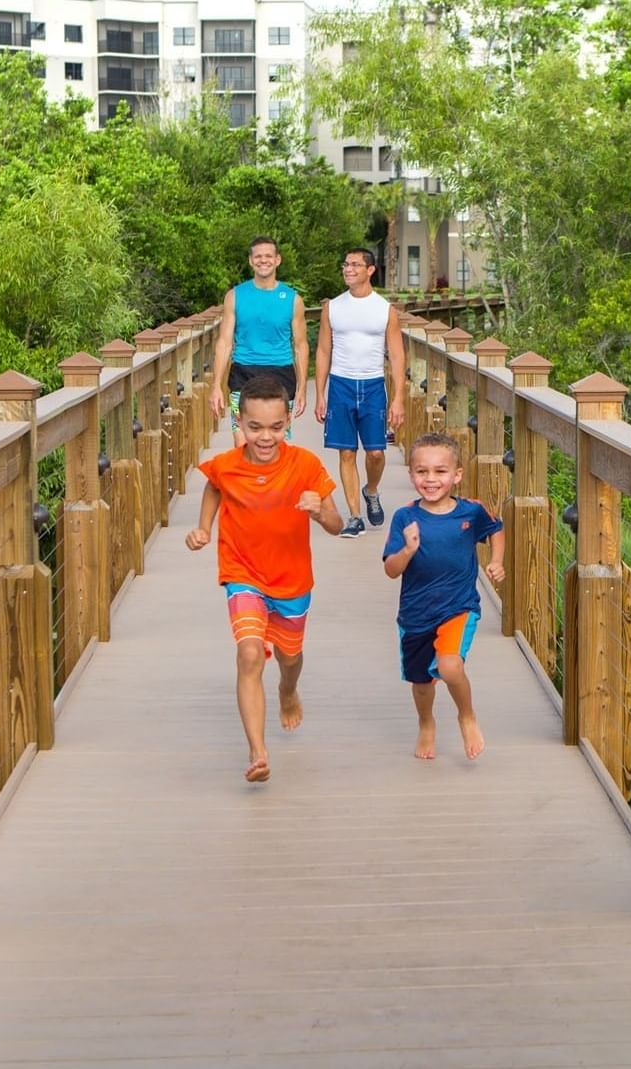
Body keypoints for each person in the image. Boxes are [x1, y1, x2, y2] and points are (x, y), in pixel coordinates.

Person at [186, 374, 345, 783]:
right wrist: (204, 528)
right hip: (242, 575)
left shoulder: (306, 465)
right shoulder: (227, 465)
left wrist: (319, 511)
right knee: (250, 654)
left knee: (290, 658)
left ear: (289, 419)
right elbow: (213, 487)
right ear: (239, 423)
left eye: (276, 427)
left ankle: (288, 690)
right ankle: (257, 752)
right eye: (254, 427)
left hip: (292, 581)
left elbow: (336, 524)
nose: (265, 437)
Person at [381, 433, 504, 761]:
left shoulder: (471, 512)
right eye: (422, 472)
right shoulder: (405, 518)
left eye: (440, 471)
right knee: (422, 683)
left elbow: (496, 529)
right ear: (410, 475)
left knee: (450, 667)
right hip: (415, 614)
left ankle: (467, 715)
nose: (431, 479)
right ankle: (426, 723)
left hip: (459, 607)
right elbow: (391, 570)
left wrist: (495, 561)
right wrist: (408, 549)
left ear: (457, 475)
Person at [315, 248, 405, 538]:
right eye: (345, 264)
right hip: (340, 384)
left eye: (355, 265)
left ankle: (372, 490)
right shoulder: (333, 307)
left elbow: (397, 355)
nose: (348, 269)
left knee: (376, 452)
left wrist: (399, 398)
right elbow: (324, 350)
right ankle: (355, 516)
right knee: (346, 452)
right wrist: (320, 393)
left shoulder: (385, 310)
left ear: (370, 270)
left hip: (372, 386)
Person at [211, 236, 309, 443]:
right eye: (258, 256)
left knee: (275, 443)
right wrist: (216, 385)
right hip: (243, 372)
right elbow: (224, 343)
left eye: (268, 256)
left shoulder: (293, 299)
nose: (263, 260)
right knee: (242, 443)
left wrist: (302, 388)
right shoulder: (235, 296)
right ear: (250, 260)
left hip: (281, 373)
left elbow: (300, 346)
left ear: (277, 260)